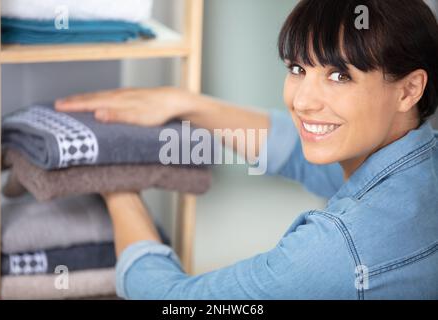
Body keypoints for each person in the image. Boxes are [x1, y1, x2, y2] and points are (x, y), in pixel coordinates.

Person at [55, 0, 438, 299]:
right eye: (298, 69)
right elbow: (293, 150)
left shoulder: (336, 248)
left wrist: (115, 181)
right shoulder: (419, 168)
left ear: (409, 89)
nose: (302, 101)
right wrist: (188, 103)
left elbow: (172, 299)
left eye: (340, 76)